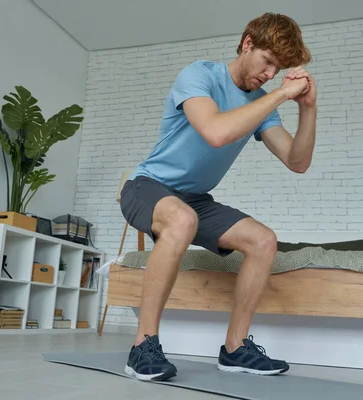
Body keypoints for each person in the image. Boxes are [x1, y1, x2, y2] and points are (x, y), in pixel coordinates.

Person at [120, 12, 317, 381]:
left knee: (263, 241)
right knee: (182, 219)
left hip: (194, 198)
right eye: (268, 61)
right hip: (147, 186)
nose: (270, 74)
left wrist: (307, 109)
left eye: (279, 68)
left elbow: (297, 161)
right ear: (247, 44)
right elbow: (214, 132)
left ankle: (236, 348)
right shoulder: (199, 75)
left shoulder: (261, 103)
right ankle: (142, 347)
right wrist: (279, 94)